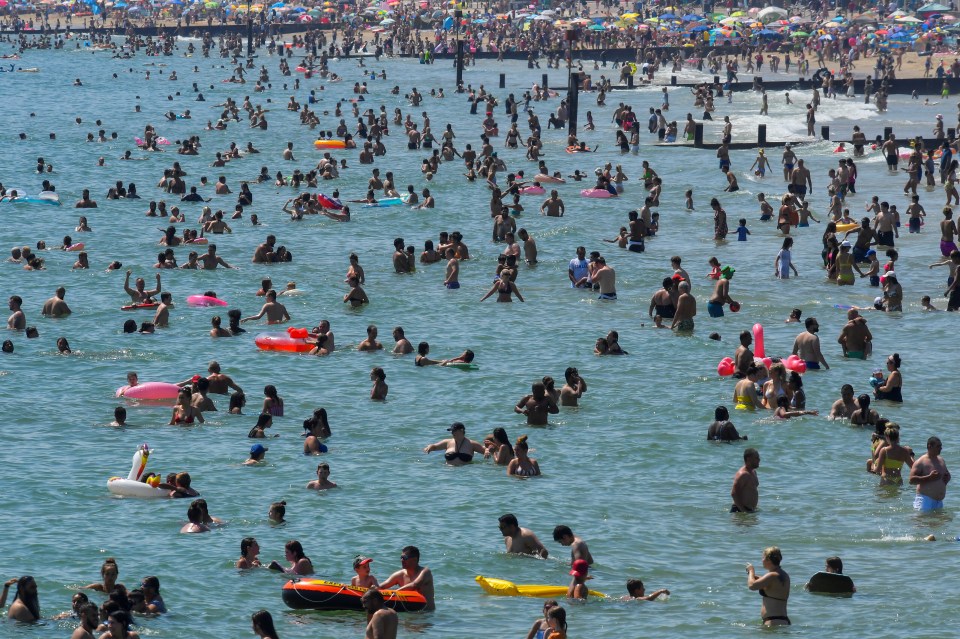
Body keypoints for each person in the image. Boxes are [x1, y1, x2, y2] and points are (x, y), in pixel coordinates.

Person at [378, 546, 435, 611]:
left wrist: (396, 592)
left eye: (405, 558)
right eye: (401, 557)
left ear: (415, 559)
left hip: (426, 615)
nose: (402, 560)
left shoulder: (425, 572)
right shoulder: (400, 575)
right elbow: (381, 586)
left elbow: (414, 585)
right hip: (408, 613)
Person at [746, 546, 791, 626]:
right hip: (783, 621)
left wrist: (751, 571)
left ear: (768, 560)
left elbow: (752, 586)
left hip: (773, 623)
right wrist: (754, 577)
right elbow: (768, 583)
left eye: (763, 557)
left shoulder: (771, 576)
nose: (762, 560)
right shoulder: (783, 574)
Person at [910, 436, 951, 511]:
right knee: (922, 522)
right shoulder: (921, 461)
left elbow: (946, 474)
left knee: (939, 522)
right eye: (938, 446)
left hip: (939, 502)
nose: (941, 448)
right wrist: (929, 477)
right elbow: (911, 480)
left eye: (941, 446)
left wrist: (948, 477)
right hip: (925, 500)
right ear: (930, 446)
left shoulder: (941, 460)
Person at [731, 448, 760, 513]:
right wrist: (743, 511)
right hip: (739, 510)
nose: (759, 460)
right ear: (748, 459)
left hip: (750, 510)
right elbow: (734, 493)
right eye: (756, 458)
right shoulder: (743, 474)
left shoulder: (753, 472)